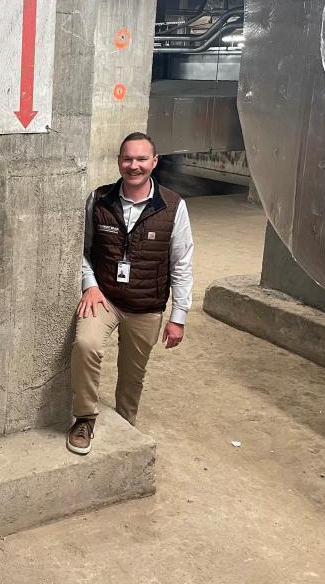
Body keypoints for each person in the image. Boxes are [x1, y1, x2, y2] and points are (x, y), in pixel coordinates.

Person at [67, 132, 194, 455]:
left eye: (141, 159)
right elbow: (80, 249)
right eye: (127, 159)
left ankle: (126, 421)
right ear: (119, 161)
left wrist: (178, 316)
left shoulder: (173, 207)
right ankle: (84, 418)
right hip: (104, 298)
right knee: (86, 345)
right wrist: (90, 284)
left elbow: (182, 263)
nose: (133, 166)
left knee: (132, 374)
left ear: (154, 162)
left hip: (146, 306)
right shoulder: (100, 199)